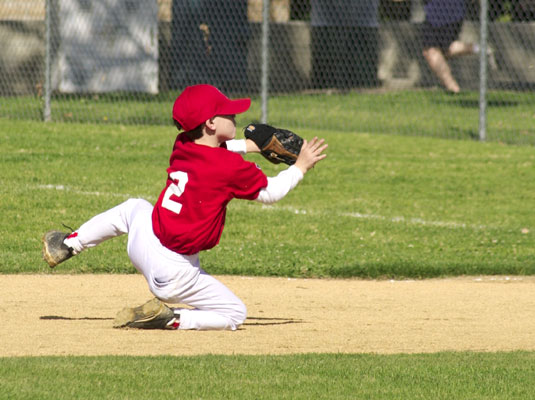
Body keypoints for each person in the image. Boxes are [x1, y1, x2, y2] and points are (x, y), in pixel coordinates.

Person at [41, 84, 328, 331]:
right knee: (234, 313)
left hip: (146, 243)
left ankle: (68, 244)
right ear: (211, 123)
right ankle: (172, 318)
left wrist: (251, 147)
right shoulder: (229, 167)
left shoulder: (183, 145)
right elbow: (271, 193)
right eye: (229, 114)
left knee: (133, 207)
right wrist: (300, 167)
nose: (235, 116)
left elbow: (214, 150)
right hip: (175, 275)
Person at [422, 0, 495, 93]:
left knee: (430, 51)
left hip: (439, 13)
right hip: (454, 12)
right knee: (444, 50)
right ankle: (479, 48)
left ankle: (453, 88)